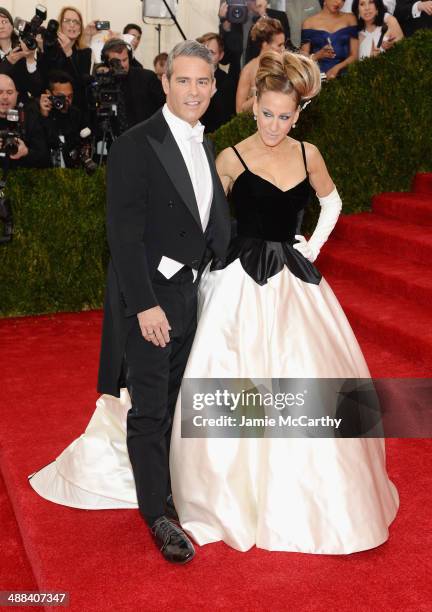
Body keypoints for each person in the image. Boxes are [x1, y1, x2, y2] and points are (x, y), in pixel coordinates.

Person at [169, 50, 399, 553]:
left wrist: (313, 245)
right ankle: (222, 494)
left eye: (285, 116)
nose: (275, 124)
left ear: (299, 114)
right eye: (268, 113)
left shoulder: (308, 153)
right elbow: (201, 218)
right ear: (254, 105)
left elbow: (332, 201)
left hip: (295, 283)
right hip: (236, 285)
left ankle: (314, 500)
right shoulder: (229, 156)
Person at [29, 40, 231, 564]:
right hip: (151, 299)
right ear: (164, 83)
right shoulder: (137, 144)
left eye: (202, 82)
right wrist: (144, 306)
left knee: (175, 404)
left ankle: (170, 487)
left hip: (192, 295)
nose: (193, 90)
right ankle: (158, 515)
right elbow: (123, 234)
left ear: (214, 86)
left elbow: (210, 224)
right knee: (149, 407)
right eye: (183, 80)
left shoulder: (206, 145)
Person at [100, 38, 165, 132]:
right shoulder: (104, 82)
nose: (122, 65)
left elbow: (165, 107)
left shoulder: (147, 78)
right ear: (107, 62)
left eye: (125, 60)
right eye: (116, 61)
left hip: (146, 137)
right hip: (115, 141)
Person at [219, 0, 290, 84]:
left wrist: (264, 15)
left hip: (267, 80)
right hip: (236, 82)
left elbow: (286, 50)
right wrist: (225, 26)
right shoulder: (235, 16)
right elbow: (224, 60)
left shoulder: (279, 17)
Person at [38, 6, 92, 109]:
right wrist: (41, 50)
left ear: (80, 29)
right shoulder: (50, 48)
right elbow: (44, 79)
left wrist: (69, 53)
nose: (72, 25)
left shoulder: (85, 52)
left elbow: (80, 84)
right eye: (67, 21)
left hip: (75, 107)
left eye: (76, 22)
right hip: (52, 105)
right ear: (60, 26)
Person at [35, 70, 88, 168]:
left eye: (70, 96)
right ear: (48, 93)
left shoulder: (76, 113)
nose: (66, 101)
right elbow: (40, 146)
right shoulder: (38, 112)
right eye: (61, 97)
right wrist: (44, 116)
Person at [236, 17, 285, 113]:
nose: (283, 48)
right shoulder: (248, 70)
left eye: (283, 44)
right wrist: (262, 92)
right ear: (265, 44)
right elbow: (239, 110)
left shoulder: (286, 65)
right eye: (279, 45)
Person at [0, 74, 49, 169]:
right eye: (0, 92)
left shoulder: (28, 118)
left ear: (17, 95)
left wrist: (26, 152)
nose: (5, 97)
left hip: (24, 178)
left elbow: (45, 159)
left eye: (10, 92)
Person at [301, 0, 359, 79]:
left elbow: (354, 55)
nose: (338, 2)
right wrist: (317, 55)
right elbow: (303, 58)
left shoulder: (350, 19)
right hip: (318, 77)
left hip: (345, 76)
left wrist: (337, 68)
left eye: (343, 0)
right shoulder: (308, 23)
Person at [0, 7, 43, 101]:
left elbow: (36, 90)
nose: (1, 26)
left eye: (4, 22)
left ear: (12, 26)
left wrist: (30, 60)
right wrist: (8, 62)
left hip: (21, 107)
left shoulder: (23, 49)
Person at [197, 33, 236, 133]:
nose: (206, 56)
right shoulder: (188, 77)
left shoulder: (227, 83)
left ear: (221, 55)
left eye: (212, 52)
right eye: (203, 51)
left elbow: (225, 120)